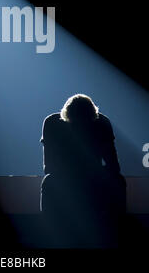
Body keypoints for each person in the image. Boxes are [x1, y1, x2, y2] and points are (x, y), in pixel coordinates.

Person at [40, 94, 126, 247]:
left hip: (68, 179)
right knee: (118, 181)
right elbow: (113, 165)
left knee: (49, 182)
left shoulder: (52, 123)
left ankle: (50, 234)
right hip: (91, 179)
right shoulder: (102, 123)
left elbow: (48, 166)